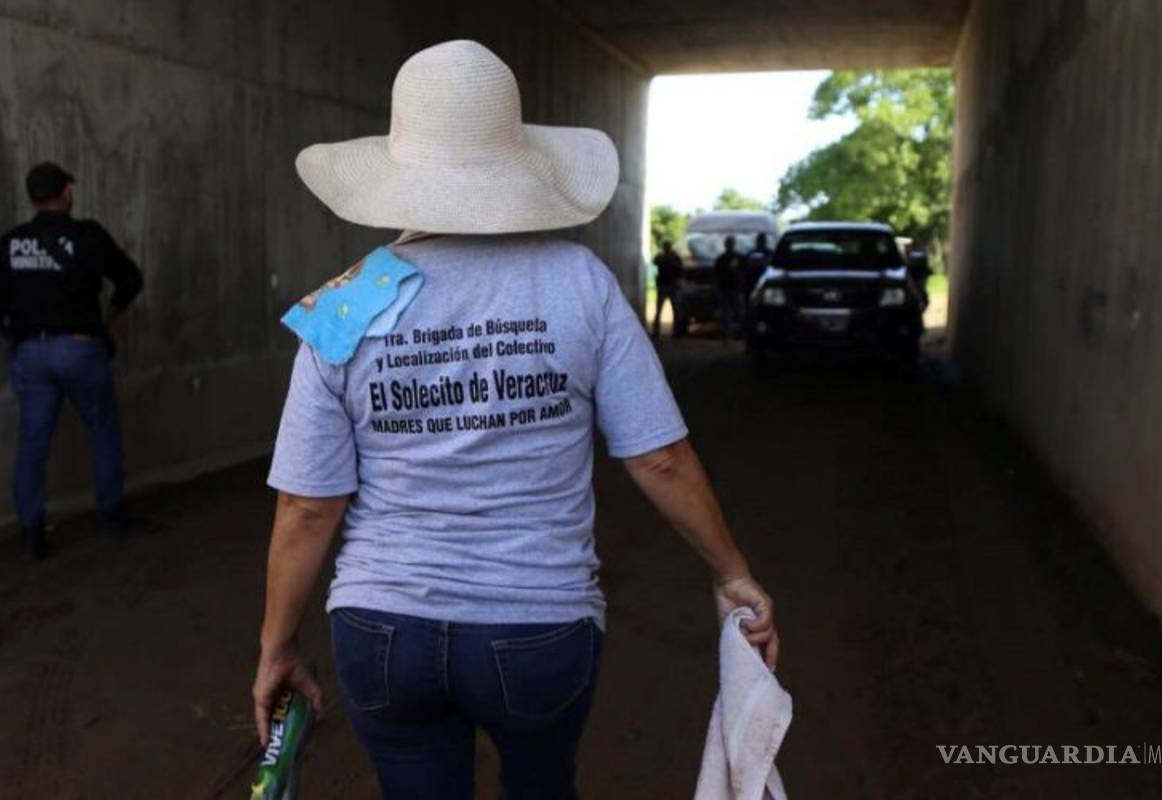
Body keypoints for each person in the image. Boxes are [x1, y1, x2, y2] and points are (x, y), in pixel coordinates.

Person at [251, 41, 778, 800]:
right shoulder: (579, 282)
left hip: (381, 628)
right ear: (516, 161)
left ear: (399, 164)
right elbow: (658, 458)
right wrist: (732, 572)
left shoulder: (345, 301)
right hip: (538, 628)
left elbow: (307, 505)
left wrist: (276, 646)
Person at [0, 162, 143, 560]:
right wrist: (107, 322)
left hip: (31, 352)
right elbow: (131, 278)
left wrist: (16, 334)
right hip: (80, 349)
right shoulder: (87, 236)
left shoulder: (11, 243)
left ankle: (32, 536)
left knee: (32, 443)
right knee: (101, 432)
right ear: (66, 194)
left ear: (32, 198)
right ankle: (112, 517)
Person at [713, 235, 744, 344]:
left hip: (734, 289)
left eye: (731, 243)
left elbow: (744, 272)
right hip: (725, 289)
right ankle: (726, 337)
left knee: (738, 313)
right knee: (726, 315)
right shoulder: (721, 259)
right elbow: (716, 275)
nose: (730, 245)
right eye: (728, 243)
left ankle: (742, 336)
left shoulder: (739, 257)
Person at [651, 238, 683, 337]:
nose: (666, 248)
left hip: (671, 286)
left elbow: (680, 270)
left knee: (675, 310)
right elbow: (655, 261)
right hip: (664, 286)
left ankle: (676, 331)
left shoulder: (674, 257)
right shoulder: (662, 257)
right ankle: (656, 331)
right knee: (660, 309)